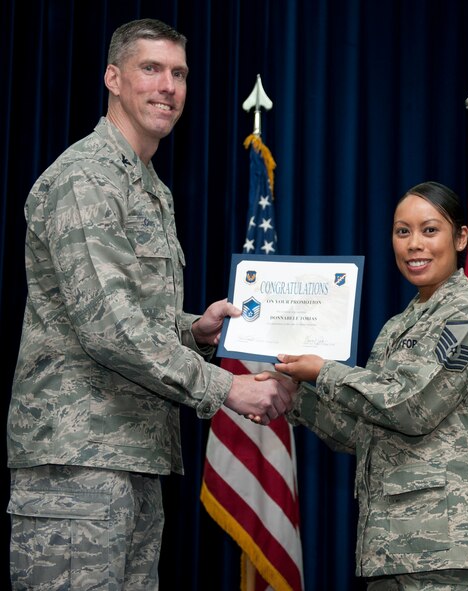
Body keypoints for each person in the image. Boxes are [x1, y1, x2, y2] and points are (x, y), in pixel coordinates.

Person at [6, 18, 293, 589]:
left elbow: (132, 313)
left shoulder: (147, 184)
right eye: (151, 69)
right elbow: (110, 328)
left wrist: (194, 330)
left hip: (131, 456)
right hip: (78, 464)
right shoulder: (86, 178)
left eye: (179, 73)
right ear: (113, 78)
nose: (168, 86)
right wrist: (227, 387)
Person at [270, 181, 468, 589]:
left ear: (460, 237)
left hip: (452, 548)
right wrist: (295, 397)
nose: (414, 244)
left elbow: (411, 407)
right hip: (391, 549)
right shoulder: (397, 326)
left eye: (430, 230)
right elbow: (365, 433)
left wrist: (323, 372)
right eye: (403, 232)